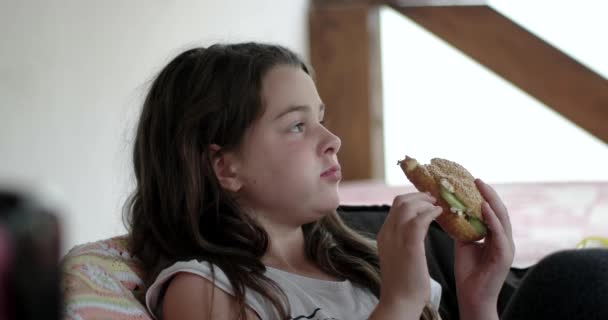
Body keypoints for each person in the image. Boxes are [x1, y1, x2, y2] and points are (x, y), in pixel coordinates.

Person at [124, 42, 515, 320]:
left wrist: (478, 303)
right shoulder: (206, 291)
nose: (332, 141)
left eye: (321, 119)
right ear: (225, 167)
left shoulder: (365, 261)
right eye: (297, 125)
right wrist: (399, 304)